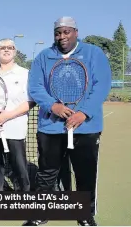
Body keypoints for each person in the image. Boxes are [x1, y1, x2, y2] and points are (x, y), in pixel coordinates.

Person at [23, 17, 112, 226]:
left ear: (75, 32)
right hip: (50, 129)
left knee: (85, 173)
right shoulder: (43, 57)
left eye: (66, 32)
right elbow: (35, 86)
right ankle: (40, 214)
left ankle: (84, 215)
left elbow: (102, 85)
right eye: (58, 33)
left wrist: (83, 113)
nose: (62, 37)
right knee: (46, 174)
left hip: (86, 128)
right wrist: (52, 106)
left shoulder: (94, 54)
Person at [0, 38, 35, 192]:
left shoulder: (25, 74)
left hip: (15, 130)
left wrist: (7, 116)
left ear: (15, 51)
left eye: (10, 47)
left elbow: (30, 102)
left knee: (19, 168)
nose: (6, 50)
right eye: (2, 47)